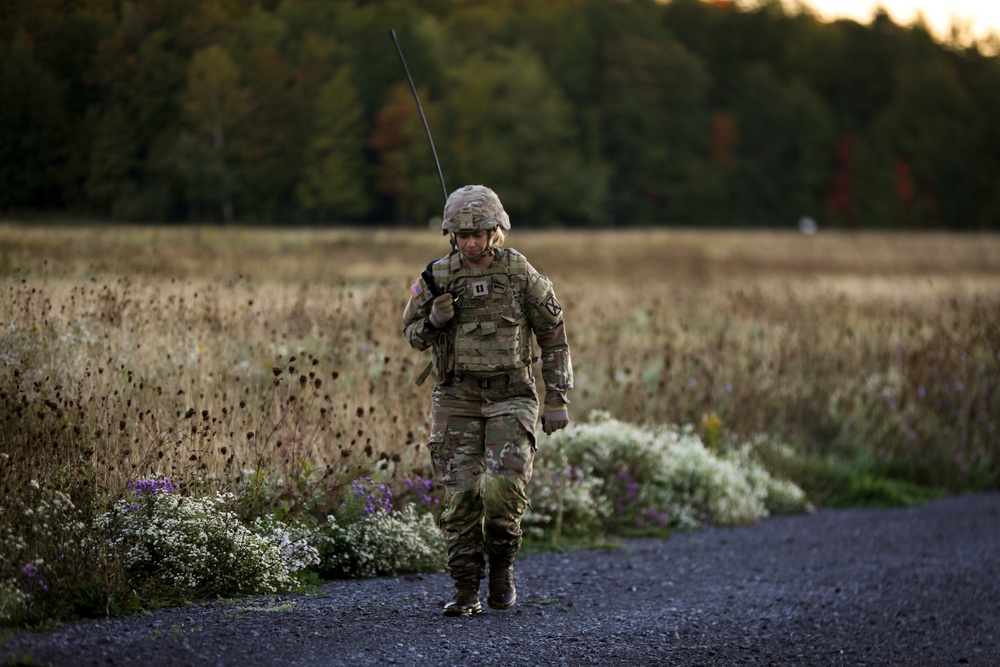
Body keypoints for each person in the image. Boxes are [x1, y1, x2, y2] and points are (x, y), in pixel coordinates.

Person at [402, 184, 573, 616]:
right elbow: (412, 335)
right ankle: (465, 591)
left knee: (501, 492)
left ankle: (501, 569)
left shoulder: (520, 273)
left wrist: (557, 397)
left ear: (497, 232)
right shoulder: (436, 276)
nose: (471, 243)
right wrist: (435, 320)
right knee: (460, 499)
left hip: (511, 395)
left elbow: (553, 336)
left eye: (479, 234)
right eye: (462, 235)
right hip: (457, 396)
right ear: (451, 236)